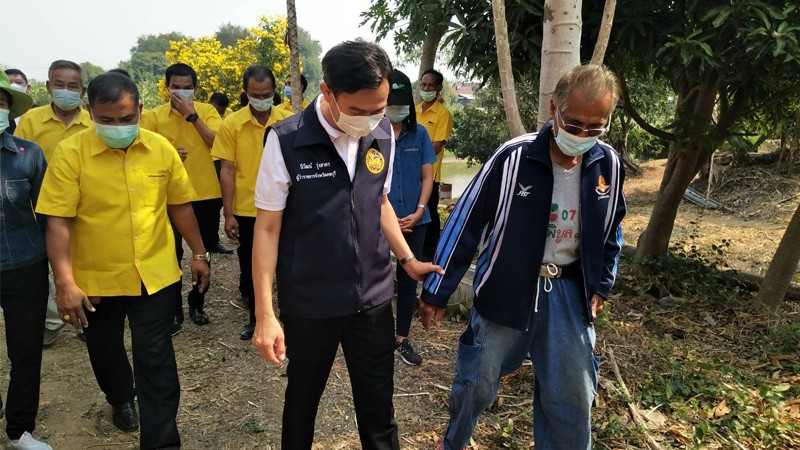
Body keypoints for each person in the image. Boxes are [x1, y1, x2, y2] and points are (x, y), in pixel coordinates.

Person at [420, 64, 626, 450]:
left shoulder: (607, 165)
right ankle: (455, 441)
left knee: (572, 392)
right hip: (509, 285)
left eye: (595, 127)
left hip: (568, 291)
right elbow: (466, 223)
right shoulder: (512, 159)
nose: (583, 135)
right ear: (554, 110)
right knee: (478, 380)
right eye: (575, 123)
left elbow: (611, 228)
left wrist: (602, 284)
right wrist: (436, 290)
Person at [250, 40, 443, 449]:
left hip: (371, 300)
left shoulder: (384, 135)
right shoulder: (286, 141)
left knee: (378, 408)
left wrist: (407, 259)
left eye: (380, 108)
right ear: (327, 92)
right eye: (358, 110)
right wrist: (265, 313)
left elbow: (382, 203)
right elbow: (266, 229)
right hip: (311, 302)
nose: (371, 120)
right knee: (302, 400)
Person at [36, 72, 210, 450]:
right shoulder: (71, 154)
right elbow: (58, 222)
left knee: (157, 358)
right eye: (108, 120)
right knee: (105, 349)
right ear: (90, 112)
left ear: (140, 110)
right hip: (94, 280)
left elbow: (180, 204)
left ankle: (162, 442)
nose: (119, 127)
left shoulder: (161, 149)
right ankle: (119, 397)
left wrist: (199, 253)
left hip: (155, 273)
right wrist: (64, 282)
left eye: (127, 119)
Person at [140, 63, 228, 330]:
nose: (181, 91)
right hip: (167, 197)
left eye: (187, 87)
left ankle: (196, 303)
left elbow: (217, 142)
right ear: (166, 87)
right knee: (172, 253)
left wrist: (192, 115)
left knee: (203, 252)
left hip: (205, 194)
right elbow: (142, 151)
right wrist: (166, 155)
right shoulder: (153, 116)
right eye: (176, 86)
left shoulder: (208, 111)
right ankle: (174, 310)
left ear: (195, 88)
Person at [14, 60, 93, 347]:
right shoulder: (32, 121)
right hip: (39, 207)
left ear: (82, 91)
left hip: (82, 208)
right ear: (48, 86)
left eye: (73, 86)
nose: (65, 91)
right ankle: (52, 320)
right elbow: (16, 158)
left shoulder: (93, 123)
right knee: (49, 267)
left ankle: (85, 318)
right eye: (59, 85)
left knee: (81, 263)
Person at [211, 65, 292, 340]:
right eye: (255, 94)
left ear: (274, 92)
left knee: (289, 260)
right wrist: (229, 213)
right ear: (246, 93)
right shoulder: (231, 124)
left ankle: (290, 316)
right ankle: (256, 317)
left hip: (286, 205)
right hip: (249, 208)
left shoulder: (288, 120)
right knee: (252, 263)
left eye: (267, 93)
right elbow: (228, 170)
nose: (261, 99)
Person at [0, 71, 53, 450]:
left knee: (25, 350)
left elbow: (50, 214)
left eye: (0, 103)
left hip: (24, 264)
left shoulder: (28, 154)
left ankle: (20, 430)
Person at [384, 69, 436, 366]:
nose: (397, 110)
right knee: (376, 279)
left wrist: (418, 211)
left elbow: (427, 176)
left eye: (402, 104)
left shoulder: (420, 133)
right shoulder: (373, 133)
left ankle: (401, 338)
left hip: (415, 219)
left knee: (408, 279)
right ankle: (375, 336)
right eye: (392, 104)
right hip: (381, 220)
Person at [416, 69, 453, 261]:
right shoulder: (413, 111)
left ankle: (429, 254)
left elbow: (436, 146)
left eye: (430, 85)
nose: (426, 88)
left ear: (438, 89)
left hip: (430, 175)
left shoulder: (442, 114)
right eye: (423, 84)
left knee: (429, 213)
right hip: (410, 174)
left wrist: (411, 154)